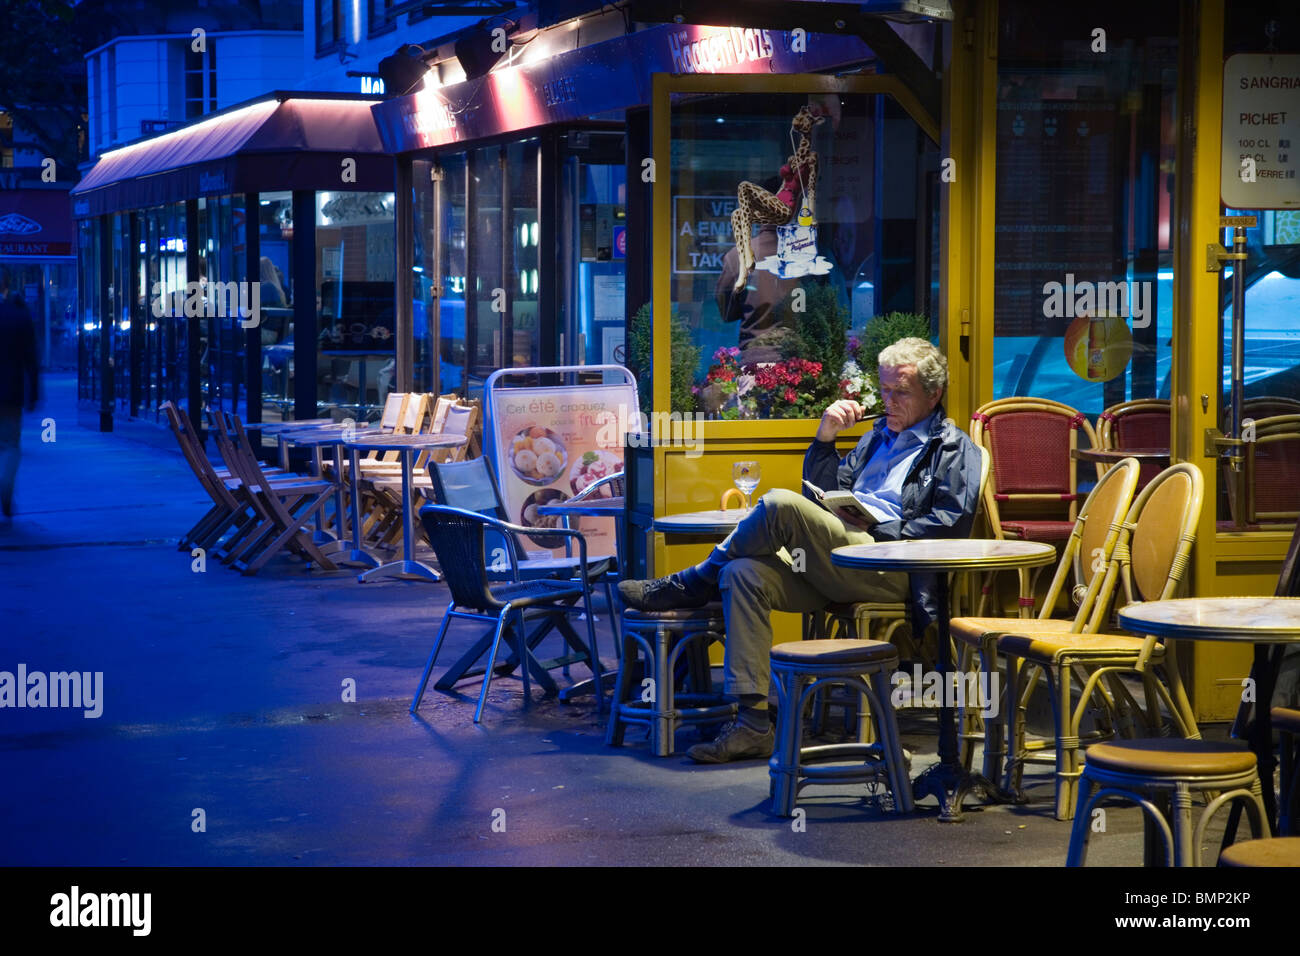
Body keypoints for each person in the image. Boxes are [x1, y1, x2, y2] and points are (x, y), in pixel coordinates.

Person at [618, 337, 983, 763]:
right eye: (884, 390)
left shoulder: (955, 448)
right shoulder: (876, 438)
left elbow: (950, 524)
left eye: (900, 392)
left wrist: (880, 526)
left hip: (891, 567)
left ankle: (693, 581)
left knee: (776, 504)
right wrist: (825, 439)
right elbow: (823, 495)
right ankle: (753, 725)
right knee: (743, 574)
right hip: (835, 562)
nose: (889, 400)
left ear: (933, 394)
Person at [0, 274, 40, 524]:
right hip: (10, 393)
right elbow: (31, 359)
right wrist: (33, 393)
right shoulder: (19, 315)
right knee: (10, 445)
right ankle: (5, 487)